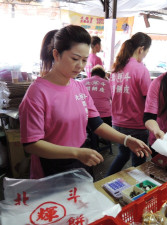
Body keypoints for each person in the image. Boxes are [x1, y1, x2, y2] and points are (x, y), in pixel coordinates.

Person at [19, 25, 151, 179]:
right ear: (56, 54)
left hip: (80, 158)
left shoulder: (79, 87)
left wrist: (126, 140)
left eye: (84, 60)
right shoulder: (37, 93)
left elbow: (97, 124)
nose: (80, 66)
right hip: (51, 165)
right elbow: (31, 144)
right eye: (75, 59)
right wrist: (76, 153)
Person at [106, 32, 152, 176]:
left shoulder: (116, 69)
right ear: (141, 49)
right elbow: (148, 99)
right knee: (139, 161)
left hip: (117, 124)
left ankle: (105, 180)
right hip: (136, 125)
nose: (144, 56)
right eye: (146, 52)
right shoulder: (141, 69)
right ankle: (138, 192)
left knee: (123, 155)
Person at [82, 65, 112, 150]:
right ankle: (99, 140)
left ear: (91, 74)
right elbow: (113, 99)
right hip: (104, 118)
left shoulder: (82, 82)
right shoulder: (108, 83)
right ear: (103, 75)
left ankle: (91, 139)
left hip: (86, 118)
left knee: (89, 128)